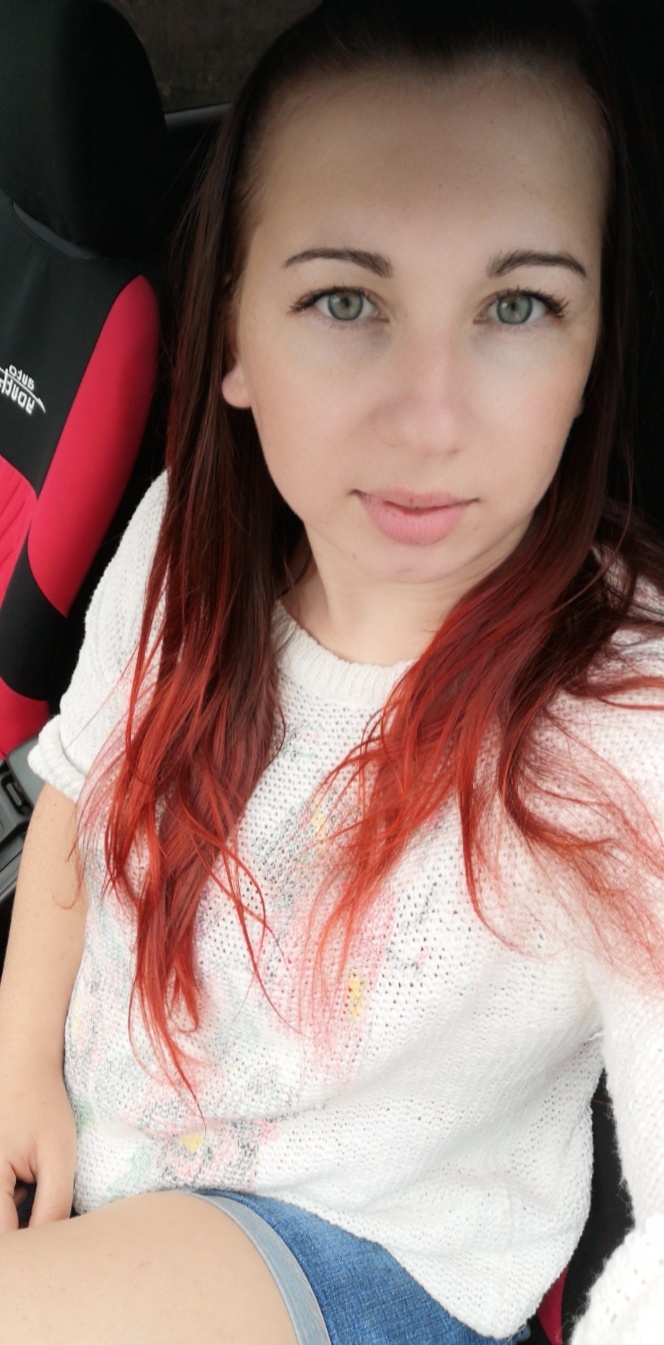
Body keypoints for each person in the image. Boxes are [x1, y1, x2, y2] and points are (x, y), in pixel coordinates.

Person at [0, 0, 663, 1340]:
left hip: (362, 1249)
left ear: (595, 349)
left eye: (519, 304)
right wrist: (17, 1065)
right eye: (347, 300)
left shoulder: (620, 714)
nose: (431, 417)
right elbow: (77, 787)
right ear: (235, 338)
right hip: (102, 1145)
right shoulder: (186, 538)